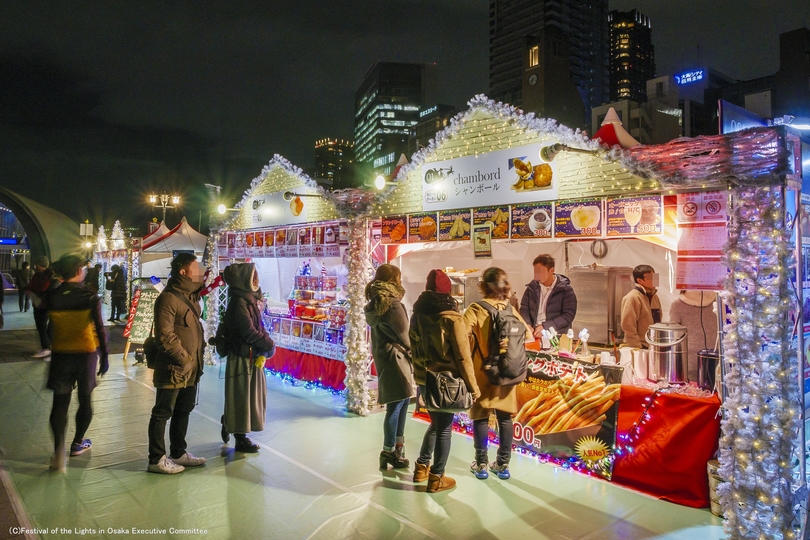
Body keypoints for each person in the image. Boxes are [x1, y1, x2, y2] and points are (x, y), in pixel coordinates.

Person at [410, 269, 480, 493]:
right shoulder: (452, 318)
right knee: (444, 430)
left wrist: (420, 375)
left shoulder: (417, 315)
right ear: (447, 291)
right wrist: (473, 387)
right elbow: (463, 357)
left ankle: (421, 467)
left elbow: (413, 347)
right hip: (447, 381)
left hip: (424, 379)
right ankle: (436, 477)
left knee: (435, 424)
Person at [464, 267, 532, 480]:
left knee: (481, 417)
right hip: (506, 371)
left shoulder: (475, 309)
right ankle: (502, 465)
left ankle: (481, 463)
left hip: (482, 371)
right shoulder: (510, 309)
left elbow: (460, 336)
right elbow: (527, 335)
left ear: (483, 286)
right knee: (505, 418)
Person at [45, 255, 109, 472]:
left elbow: (48, 328)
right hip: (85, 354)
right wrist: (105, 356)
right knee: (85, 399)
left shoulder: (52, 296)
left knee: (60, 403)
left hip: (61, 355)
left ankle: (58, 452)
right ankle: (78, 443)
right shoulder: (89, 296)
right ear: (79, 270)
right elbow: (100, 329)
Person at [146, 253, 207, 474]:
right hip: (174, 367)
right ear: (183, 271)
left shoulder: (191, 296)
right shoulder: (169, 298)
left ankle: (178, 452)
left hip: (191, 368)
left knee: (184, 409)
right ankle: (156, 459)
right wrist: (184, 359)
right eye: (196, 267)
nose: (201, 270)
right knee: (163, 411)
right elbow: (165, 335)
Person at [220, 262, 275, 453]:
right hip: (241, 357)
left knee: (249, 397)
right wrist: (268, 344)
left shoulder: (249, 300)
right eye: (253, 276)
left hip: (252, 356)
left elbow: (257, 327)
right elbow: (248, 331)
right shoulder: (238, 302)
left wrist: (265, 343)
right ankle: (240, 436)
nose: (256, 280)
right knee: (242, 396)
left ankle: (232, 423)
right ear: (243, 279)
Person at [364, 264, 415, 470]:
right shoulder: (393, 305)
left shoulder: (376, 303)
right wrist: (415, 353)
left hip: (385, 357)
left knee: (400, 403)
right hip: (397, 358)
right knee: (396, 407)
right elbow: (405, 335)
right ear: (393, 280)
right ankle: (389, 450)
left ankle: (395, 449)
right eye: (399, 278)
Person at [519, 254, 577, 340]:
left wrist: (545, 326)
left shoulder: (566, 290)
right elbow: (524, 309)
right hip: (533, 335)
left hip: (556, 336)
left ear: (551, 270)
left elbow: (568, 315)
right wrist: (528, 324)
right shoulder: (531, 288)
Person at [669, 290, 719, 382]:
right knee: (715, 391)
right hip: (715, 355)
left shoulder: (677, 305)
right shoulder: (718, 303)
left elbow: (674, 336)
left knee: (691, 393)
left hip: (689, 359)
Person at [620, 264, 662, 349]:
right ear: (640, 280)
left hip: (653, 346)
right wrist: (637, 347)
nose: (655, 280)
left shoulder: (654, 297)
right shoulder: (632, 298)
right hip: (639, 347)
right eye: (651, 278)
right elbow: (628, 326)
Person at [27, 256, 55, 358]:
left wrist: (34, 292)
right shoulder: (39, 275)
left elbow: (40, 288)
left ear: (40, 265)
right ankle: (47, 347)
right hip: (39, 304)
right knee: (42, 327)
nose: (36, 266)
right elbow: (31, 287)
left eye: (37, 264)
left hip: (45, 305)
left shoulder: (49, 277)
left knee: (43, 327)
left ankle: (47, 347)